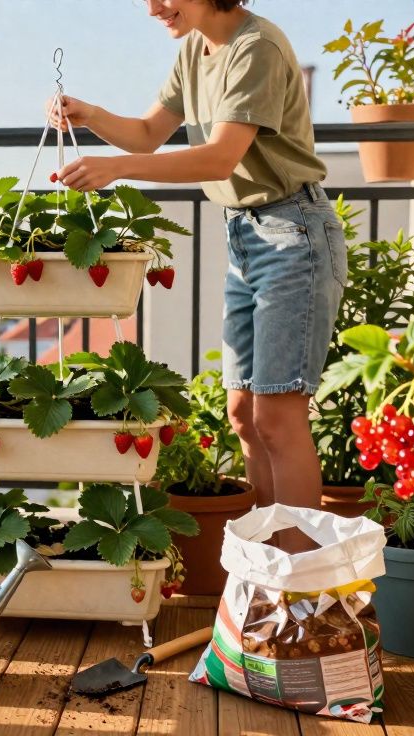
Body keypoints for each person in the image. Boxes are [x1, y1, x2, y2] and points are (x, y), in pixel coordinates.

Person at [52, 0, 346, 551]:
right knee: (243, 414)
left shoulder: (256, 48)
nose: (152, 7)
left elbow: (217, 159)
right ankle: (266, 564)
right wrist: (88, 114)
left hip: (294, 235)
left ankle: (301, 583)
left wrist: (116, 170)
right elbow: (145, 133)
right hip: (246, 235)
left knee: (279, 418)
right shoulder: (194, 49)